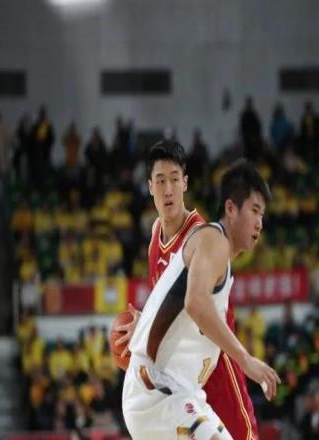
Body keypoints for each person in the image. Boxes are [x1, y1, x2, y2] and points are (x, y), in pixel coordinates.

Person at [122, 159, 280, 439]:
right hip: (156, 391)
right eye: (254, 211)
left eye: (262, 214)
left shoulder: (217, 256)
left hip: (178, 393)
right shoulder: (214, 240)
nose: (260, 223)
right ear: (230, 208)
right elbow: (195, 303)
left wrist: (144, 324)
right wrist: (246, 360)